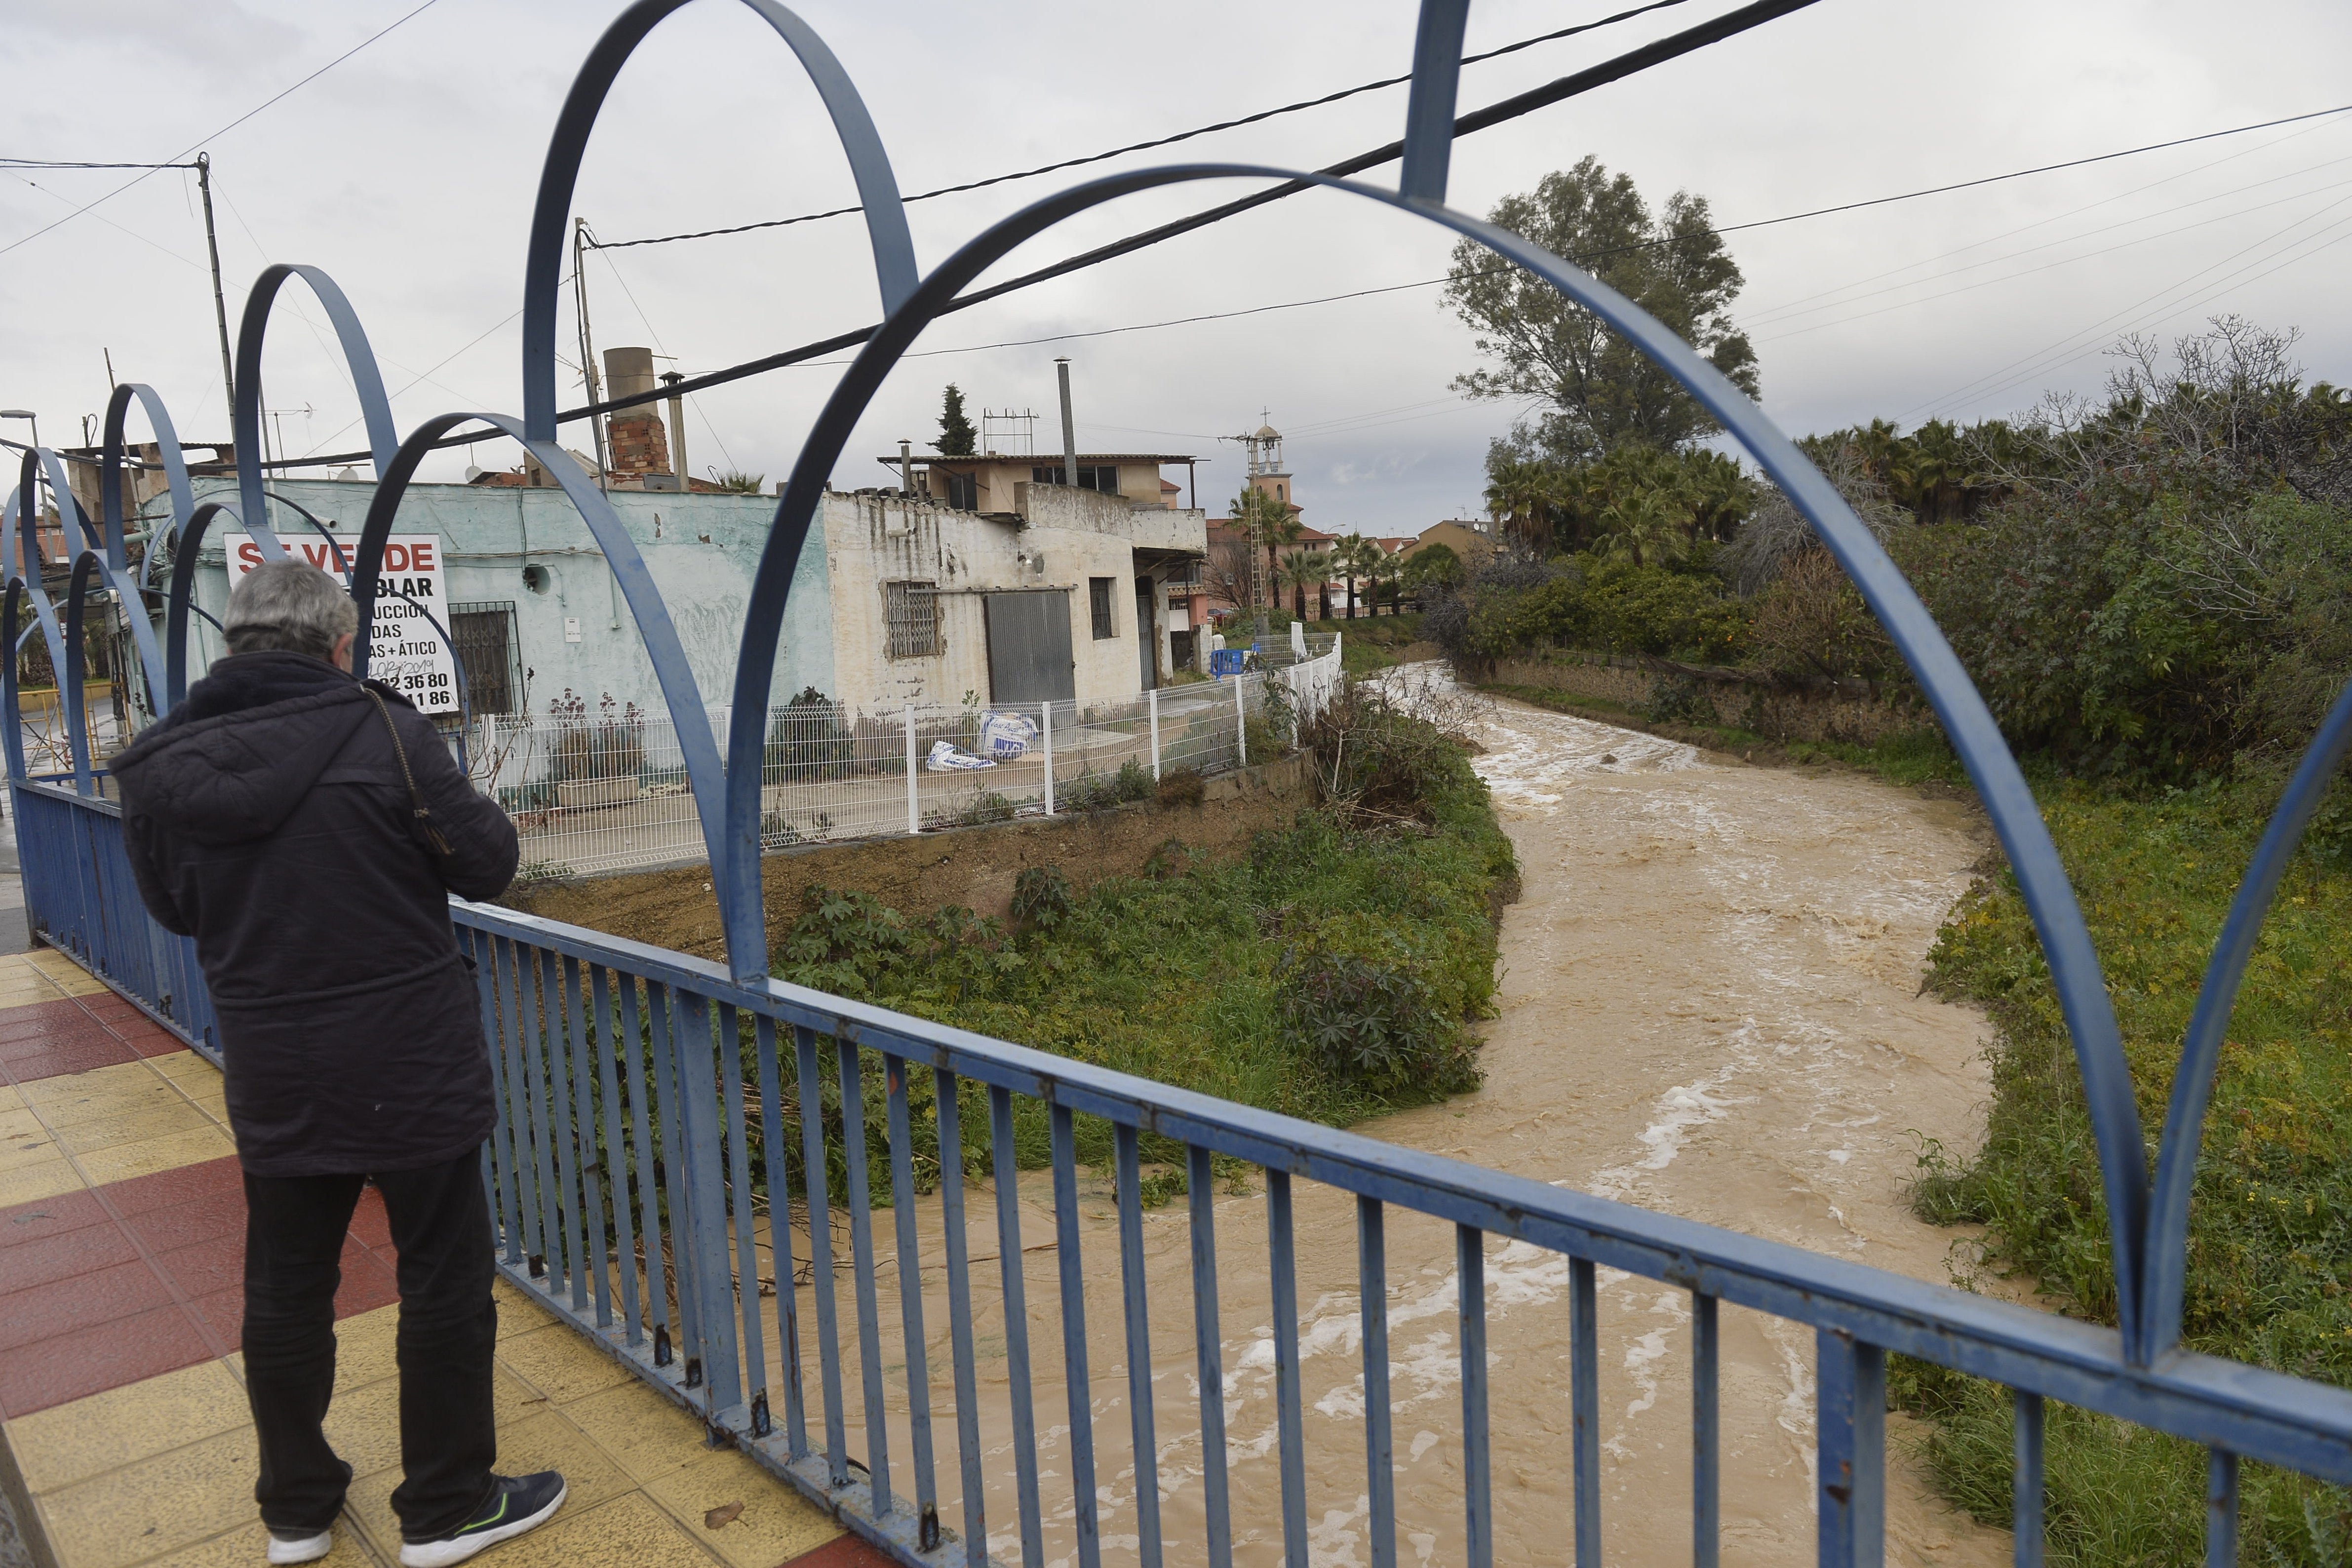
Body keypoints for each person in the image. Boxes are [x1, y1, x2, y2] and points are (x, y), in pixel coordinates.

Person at [113, 560, 562, 1568]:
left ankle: (297, 1511)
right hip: (411, 1058)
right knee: (442, 1277)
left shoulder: (157, 764)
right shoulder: (387, 733)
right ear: (337, 644)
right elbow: (488, 862)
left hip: (277, 1061)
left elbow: (178, 910)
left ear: (233, 644)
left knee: (284, 1286)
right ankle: (447, 1506)